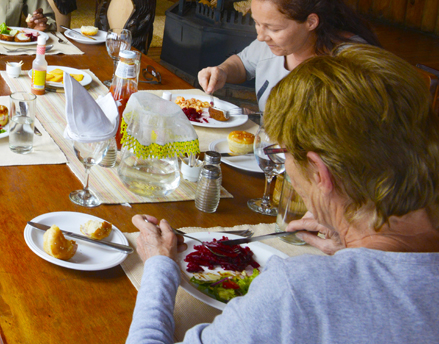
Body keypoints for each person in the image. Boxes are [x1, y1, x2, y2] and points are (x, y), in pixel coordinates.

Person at [126, 44, 439, 344]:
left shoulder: (300, 290)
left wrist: (159, 265)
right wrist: (351, 248)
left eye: (283, 152)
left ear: (319, 172)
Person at [197, 0, 379, 111]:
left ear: (311, 22)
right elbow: (243, 64)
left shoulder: (353, 63)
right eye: (257, 23)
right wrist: (223, 71)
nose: (261, 37)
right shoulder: (273, 44)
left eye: (274, 28)